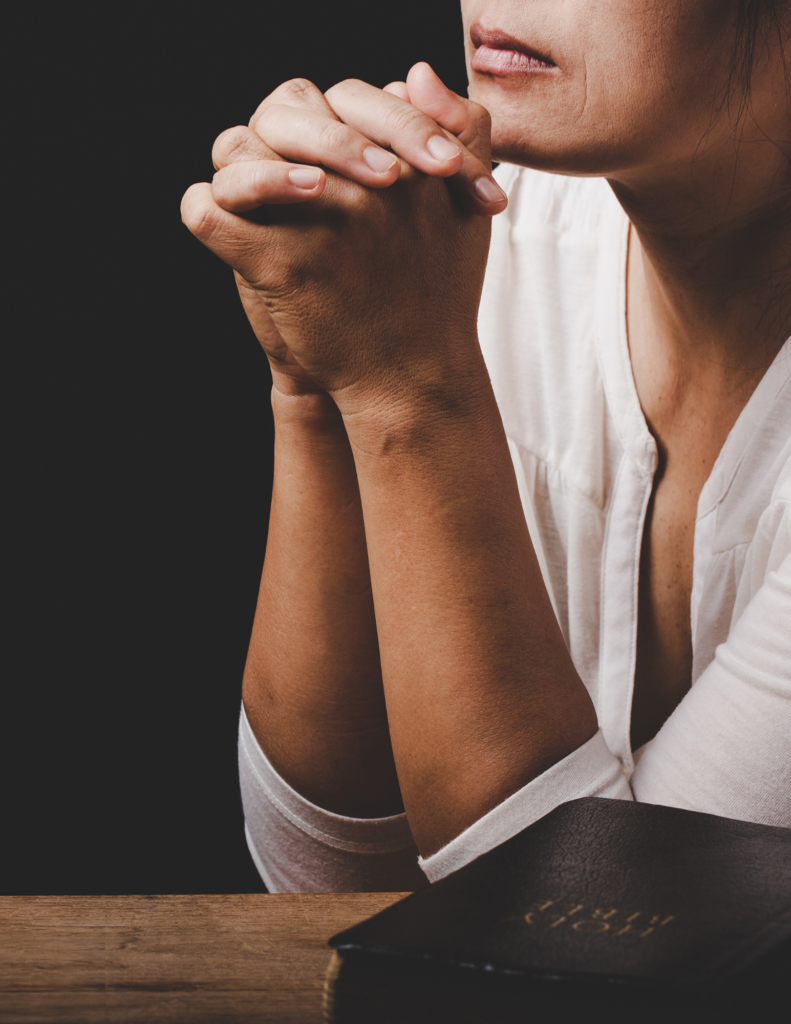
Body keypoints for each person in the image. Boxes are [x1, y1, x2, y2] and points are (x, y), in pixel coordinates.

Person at [181, 0, 791, 892]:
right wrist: (314, 379)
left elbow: (604, 971)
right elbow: (322, 892)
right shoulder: (456, 230)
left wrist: (410, 389)